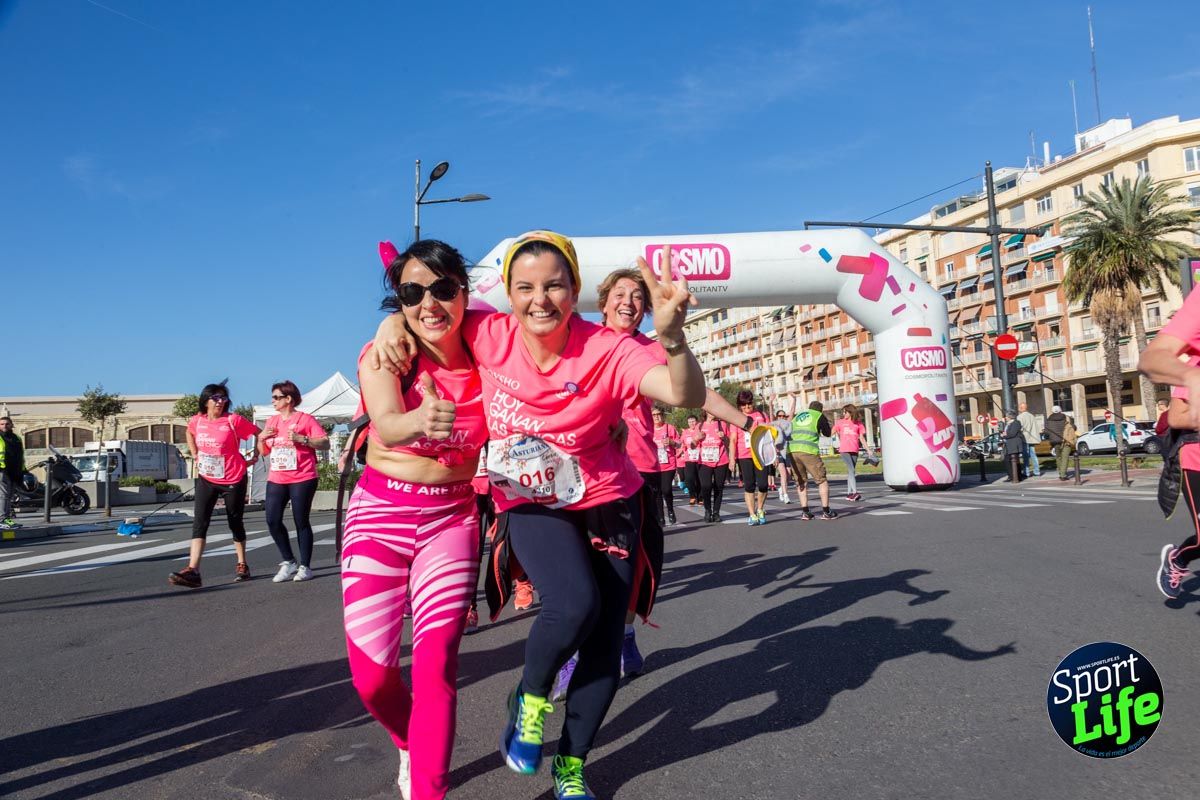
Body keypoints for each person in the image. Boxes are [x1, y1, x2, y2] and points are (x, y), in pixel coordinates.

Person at [374, 231, 706, 799]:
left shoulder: (608, 347)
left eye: (554, 285)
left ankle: (571, 767)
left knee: (603, 642)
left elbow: (684, 394)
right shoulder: (487, 331)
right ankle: (528, 695)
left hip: (608, 499)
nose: (540, 299)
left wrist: (673, 340)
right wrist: (389, 325)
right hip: (529, 499)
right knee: (573, 602)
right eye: (524, 287)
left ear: (574, 290)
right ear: (506, 294)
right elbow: (425, 309)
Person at [346, 239, 489, 800]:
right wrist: (418, 420)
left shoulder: (492, 350)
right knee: (373, 678)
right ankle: (409, 742)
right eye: (411, 292)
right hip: (379, 510)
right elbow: (383, 419)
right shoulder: (388, 352)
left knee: (434, 669)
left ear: (464, 292)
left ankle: (429, 787)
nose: (429, 303)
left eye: (443, 289)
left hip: (450, 522)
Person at [1136, 290, 1200, 599]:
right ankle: (1178, 558)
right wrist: (1191, 377)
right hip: (1197, 456)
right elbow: (1177, 417)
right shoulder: (1194, 363)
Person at [169, 383, 260, 588]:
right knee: (200, 522)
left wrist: (256, 454)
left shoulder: (233, 420)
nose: (221, 402)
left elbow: (258, 432)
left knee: (234, 521)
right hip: (207, 478)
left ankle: (242, 563)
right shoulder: (197, 421)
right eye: (216, 398)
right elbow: (189, 432)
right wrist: (194, 454)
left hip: (234, 478)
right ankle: (193, 570)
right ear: (206, 400)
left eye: (224, 398)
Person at [258, 380, 328, 582]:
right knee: (272, 520)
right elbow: (264, 452)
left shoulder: (305, 420)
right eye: (272, 397)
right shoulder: (272, 422)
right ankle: (289, 561)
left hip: (302, 477)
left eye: (276, 397)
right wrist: (261, 438)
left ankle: (305, 566)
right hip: (277, 477)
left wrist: (303, 439)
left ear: (288, 399)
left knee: (300, 520)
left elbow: (325, 442)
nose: (272, 401)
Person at [786, 399, 837, 520]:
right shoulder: (819, 416)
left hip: (792, 450)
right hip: (808, 450)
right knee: (821, 480)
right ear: (820, 410)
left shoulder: (799, 416)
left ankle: (805, 512)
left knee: (801, 482)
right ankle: (826, 511)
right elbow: (827, 433)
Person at [730, 390, 769, 525]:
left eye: (749, 404)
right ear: (740, 405)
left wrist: (774, 454)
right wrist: (731, 459)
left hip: (761, 454)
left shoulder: (761, 415)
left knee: (763, 485)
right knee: (749, 485)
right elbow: (733, 440)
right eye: (744, 405)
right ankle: (752, 514)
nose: (747, 408)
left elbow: (770, 435)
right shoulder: (736, 418)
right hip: (744, 455)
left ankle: (760, 509)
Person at [696, 409, 731, 523]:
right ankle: (707, 510)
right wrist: (697, 438)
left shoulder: (722, 424)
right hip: (704, 461)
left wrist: (724, 438)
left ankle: (716, 512)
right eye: (709, 409)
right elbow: (692, 445)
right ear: (705, 411)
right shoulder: (700, 425)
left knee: (718, 487)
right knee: (706, 486)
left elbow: (729, 443)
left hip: (721, 460)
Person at [832, 404, 869, 501]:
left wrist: (869, 450)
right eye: (843, 412)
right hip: (844, 450)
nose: (843, 413)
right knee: (852, 470)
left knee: (850, 472)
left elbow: (862, 438)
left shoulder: (858, 424)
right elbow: (831, 432)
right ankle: (855, 492)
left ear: (850, 412)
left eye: (845, 412)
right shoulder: (840, 422)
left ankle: (849, 494)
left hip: (854, 450)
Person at [650, 406, 679, 526]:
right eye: (654, 415)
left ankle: (671, 510)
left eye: (659, 414)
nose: (656, 417)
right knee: (657, 493)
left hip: (668, 464)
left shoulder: (669, 428)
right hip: (653, 466)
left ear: (663, 415)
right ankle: (661, 518)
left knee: (666, 489)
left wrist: (672, 442)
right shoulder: (648, 429)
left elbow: (678, 444)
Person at [0, 416, 24, 530]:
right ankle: (2, 520)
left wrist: (23, 469)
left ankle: (6, 519)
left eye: (7, 424)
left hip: (14, 471)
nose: (4, 426)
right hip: (1, 470)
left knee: (9, 496)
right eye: (2, 424)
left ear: (11, 425)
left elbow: (21, 456)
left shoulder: (17, 438)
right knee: (3, 495)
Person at [1043, 405, 1070, 481]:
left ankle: (1060, 472)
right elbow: (1070, 427)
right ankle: (1063, 474)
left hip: (1054, 441)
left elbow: (1046, 432)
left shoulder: (1049, 420)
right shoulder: (1064, 418)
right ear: (1060, 410)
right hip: (1064, 440)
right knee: (1065, 457)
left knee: (1058, 457)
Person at [772, 408, 793, 504]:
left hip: (787, 453)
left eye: (783, 416)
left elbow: (791, 413)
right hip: (778, 453)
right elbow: (771, 416)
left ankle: (781, 489)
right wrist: (771, 403)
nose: (782, 418)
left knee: (788, 476)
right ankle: (785, 495)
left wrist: (794, 400)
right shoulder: (774, 425)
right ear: (776, 417)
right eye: (780, 416)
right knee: (783, 474)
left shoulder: (787, 425)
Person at [1000, 409, 1026, 482]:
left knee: (1012, 460)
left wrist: (1004, 436)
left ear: (1010, 416)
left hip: (1014, 444)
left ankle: (1014, 476)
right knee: (1008, 460)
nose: (1005, 417)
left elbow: (1012, 433)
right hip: (1008, 444)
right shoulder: (1008, 424)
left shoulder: (1016, 423)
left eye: (1006, 416)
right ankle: (1012, 475)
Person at [1017, 402, 1041, 477]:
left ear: (1021, 408)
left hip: (1025, 438)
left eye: (1019, 407)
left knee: (1025, 456)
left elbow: (1019, 428)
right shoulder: (1031, 416)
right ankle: (1037, 471)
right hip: (1032, 438)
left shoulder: (1020, 417)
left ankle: (1026, 472)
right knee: (1033, 455)